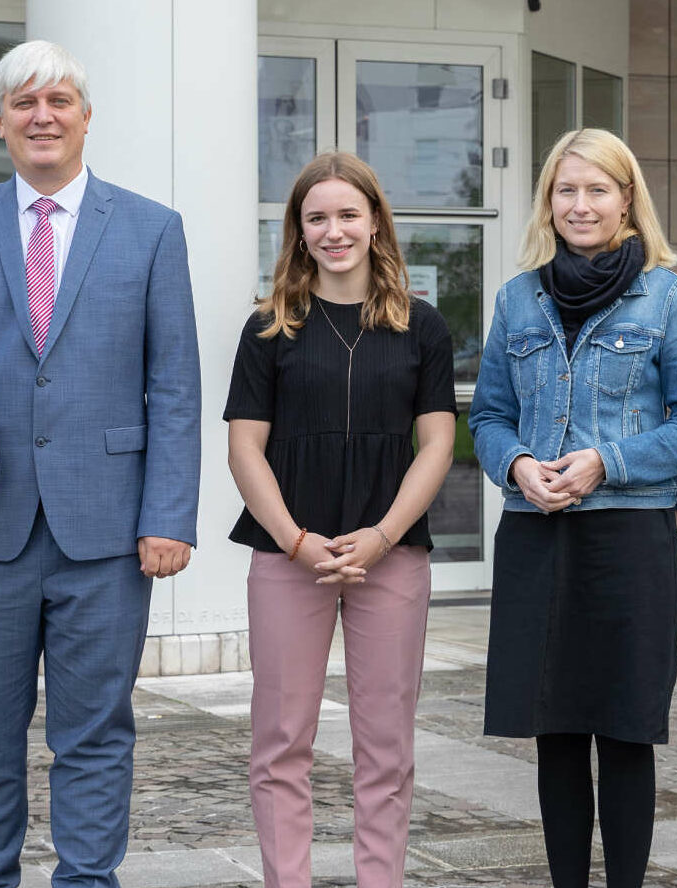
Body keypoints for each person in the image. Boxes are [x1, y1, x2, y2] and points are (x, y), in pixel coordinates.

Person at [0, 40, 201, 888]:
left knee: (95, 740)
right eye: (23, 102)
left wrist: (168, 514)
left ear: (86, 117)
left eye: (58, 99)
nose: (43, 115)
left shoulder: (150, 230)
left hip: (105, 537)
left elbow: (173, 386)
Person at [469, 128, 677, 888]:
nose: (580, 205)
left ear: (626, 201)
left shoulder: (667, 296)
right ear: (548, 200)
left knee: (622, 732)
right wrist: (515, 464)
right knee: (553, 730)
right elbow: (485, 416)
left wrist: (606, 462)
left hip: (628, 539)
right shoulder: (517, 299)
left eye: (596, 190)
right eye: (566, 190)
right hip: (535, 537)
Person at [226, 151, 455, 888]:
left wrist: (383, 535)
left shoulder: (422, 326)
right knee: (280, 741)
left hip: (389, 556)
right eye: (316, 217)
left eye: (347, 214)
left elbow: (438, 444)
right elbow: (244, 450)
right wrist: (295, 541)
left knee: (385, 746)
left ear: (375, 222)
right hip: (289, 556)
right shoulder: (267, 328)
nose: (333, 230)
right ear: (297, 230)